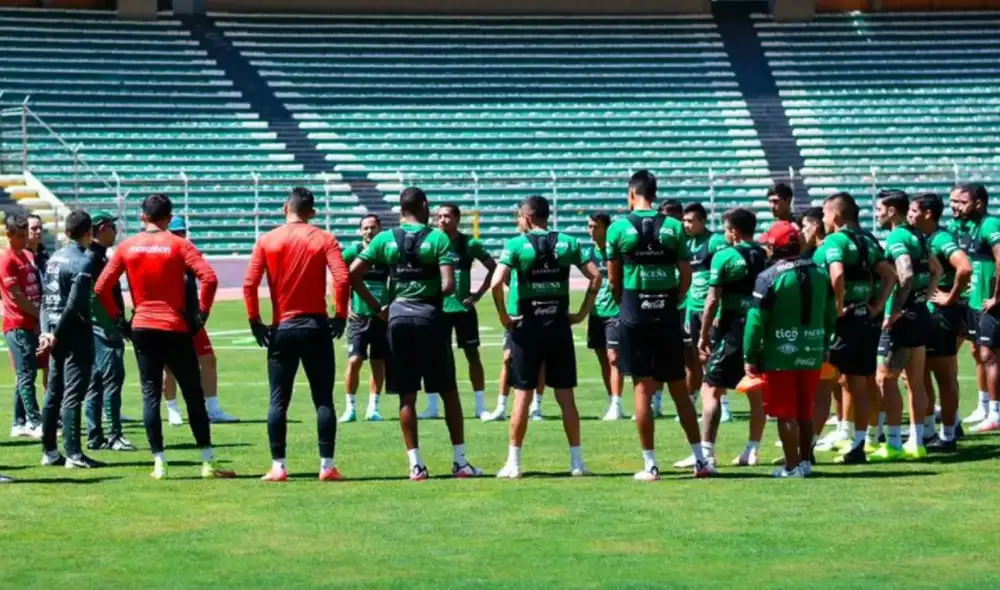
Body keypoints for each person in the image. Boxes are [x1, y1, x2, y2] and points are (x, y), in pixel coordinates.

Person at [95, 193, 233, 480]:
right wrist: (202, 316)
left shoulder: (127, 247)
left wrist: (119, 320)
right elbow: (209, 278)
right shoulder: (180, 244)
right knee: (193, 394)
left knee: (149, 395)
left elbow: (100, 288)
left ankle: (159, 462)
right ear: (169, 218)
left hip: (143, 326)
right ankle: (207, 461)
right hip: (176, 327)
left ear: (143, 217)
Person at [349, 187, 483, 481]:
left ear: (400, 209)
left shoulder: (385, 239)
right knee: (448, 391)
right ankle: (460, 462)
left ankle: (416, 465)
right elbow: (448, 286)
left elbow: (352, 273)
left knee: (406, 396)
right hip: (430, 319)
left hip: (396, 319)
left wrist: (377, 306)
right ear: (424, 205)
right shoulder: (438, 239)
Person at [243, 187, 350, 482]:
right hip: (315, 326)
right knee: (324, 399)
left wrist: (255, 320)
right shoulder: (323, 238)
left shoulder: (267, 239)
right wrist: (340, 315)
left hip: (283, 329)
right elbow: (341, 279)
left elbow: (250, 284)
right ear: (312, 212)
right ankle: (327, 466)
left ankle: (278, 466)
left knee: (278, 399)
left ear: (284, 207)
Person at [606, 170, 705, 481]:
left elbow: (613, 278)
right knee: (678, 387)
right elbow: (686, 274)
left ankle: (650, 464)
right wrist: (673, 298)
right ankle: (701, 461)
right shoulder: (675, 226)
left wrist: (625, 302)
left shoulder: (618, 228)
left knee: (642, 387)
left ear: (632, 192)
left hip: (634, 312)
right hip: (665, 313)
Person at [490, 196, 599, 478]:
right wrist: (582, 313)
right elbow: (596, 278)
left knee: (523, 396)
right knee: (566, 397)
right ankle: (577, 463)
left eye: (518, 217)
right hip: (559, 327)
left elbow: (495, 282)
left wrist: (503, 316)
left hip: (527, 328)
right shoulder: (569, 242)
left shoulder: (515, 245)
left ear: (526, 217)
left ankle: (513, 463)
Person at [746, 221, 836, 477]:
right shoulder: (820, 273)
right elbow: (831, 314)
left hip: (780, 353)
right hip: (813, 348)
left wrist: (750, 355)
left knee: (786, 413)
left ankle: (792, 466)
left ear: (775, 247)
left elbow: (755, 322)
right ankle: (805, 462)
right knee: (805, 410)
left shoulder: (768, 277)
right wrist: (825, 343)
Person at [817, 193, 896, 464]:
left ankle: (806, 447)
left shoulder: (836, 240)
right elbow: (891, 274)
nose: (823, 220)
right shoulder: (867, 240)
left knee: (823, 383)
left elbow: (836, 273)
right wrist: (878, 304)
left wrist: (838, 306)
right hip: (866, 319)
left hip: (844, 321)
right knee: (859, 384)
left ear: (837, 216)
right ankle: (859, 443)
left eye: (825, 214)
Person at [689, 207, 768, 469]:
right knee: (755, 390)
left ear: (733, 231)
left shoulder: (724, 256)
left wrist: (703, 335)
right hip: (759, 328)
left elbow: (712, 301)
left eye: (726, 228)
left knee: (711, 388)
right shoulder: (764, 254)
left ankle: (707, 454)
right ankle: (752, 449)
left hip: (733, 328)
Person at [872, 190, 940, 461]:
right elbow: (937, 269)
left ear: (891, 211)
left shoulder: (898, 236)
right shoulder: (919, 236)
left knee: (884, 379)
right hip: (921, 314)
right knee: (916, 382)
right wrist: (926, 296)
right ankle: (917, 441)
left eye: (879, 209)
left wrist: (896, 310)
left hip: (903, 320)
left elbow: (906, 274)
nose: (876, 213)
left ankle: (893, 443)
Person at [908, 193, 971, 451]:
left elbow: (964, 267)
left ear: (927, 214)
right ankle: (933, 431)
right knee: (920, 374)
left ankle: (948, 435)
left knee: (943, 376)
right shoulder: (922, 239)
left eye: (913, 210)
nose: (910, 215)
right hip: (928, 313)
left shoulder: (941, 238)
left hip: (941, 315)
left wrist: (950, 297)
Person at [421, 203, 496, 419]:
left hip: (463, 310)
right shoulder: (431, 242)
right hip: (438, 310)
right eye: (439, 216)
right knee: (434, 357)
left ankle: (480, 406)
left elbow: (493, 267)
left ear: (457, 219)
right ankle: (433, 406)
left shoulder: (469, 243)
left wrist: (479, 294)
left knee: (473, 355)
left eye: (446, 216)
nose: (442, 220)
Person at [39, 210, 101, 468]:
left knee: (53, 392)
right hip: (73, 333)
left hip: (53, 331)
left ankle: (49, 451)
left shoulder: (53, 258)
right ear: (89, 232)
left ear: (66, 232)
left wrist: (46, 330)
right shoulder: (83, 261)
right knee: (73, 394)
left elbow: (44, 299)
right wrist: (55, 332)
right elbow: (75, 304)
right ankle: (74, 454)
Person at [162, 217, 238, 426]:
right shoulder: (163, 253)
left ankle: (212, 408)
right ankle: (172, 409)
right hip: (171, 316)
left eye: (182, 232)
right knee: (169, 366)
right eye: (176, 233)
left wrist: (201, 312)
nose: (180, 236)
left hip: (191, 316)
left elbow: (207, 278)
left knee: (208, 359)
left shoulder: (189, 252)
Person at [83, 211, 135, 452]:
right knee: (112, 381)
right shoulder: (95, 259)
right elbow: (96, 297)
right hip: (103, 329)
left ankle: (95, 436)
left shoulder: (94, 256)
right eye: (112, 226)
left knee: (95, 383)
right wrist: (115, 323)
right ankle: (114, 434)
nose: (115, 231)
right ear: (102, 228)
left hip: (93, 328)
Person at [951, 183, 1000, 433]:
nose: (954, 206)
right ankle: (983, 406)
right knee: (976, 352)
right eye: (952, 201)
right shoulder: (966, 226)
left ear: (978, 204)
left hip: (988, 302)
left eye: (960, 202)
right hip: (974, 301)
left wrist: (996, 297)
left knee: (989, 355)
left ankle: (996, 413)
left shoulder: (990, 225)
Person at [681, 203, 729, 423]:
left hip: (710, 309)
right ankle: (706, 403)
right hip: (693, 308)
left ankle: (723, 406)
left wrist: (719, 309)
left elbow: (724, 278)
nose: (686, 225)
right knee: (699, 356)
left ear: (702, 221)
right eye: (685, 220)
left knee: (714, 356)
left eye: (691, 221)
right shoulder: (686, 243)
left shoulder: (716, 242)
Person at [340, 214, 390, 423]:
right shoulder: (353, 252)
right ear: (360, 231)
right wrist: (343, 305)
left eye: (373, 227)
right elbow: (337, 277)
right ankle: (350, 408)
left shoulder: (387, 252)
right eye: (365, 228)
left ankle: (373, 407)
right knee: (355, 360)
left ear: (380, 229)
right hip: (359, 316)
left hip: (383, 316)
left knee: (379, 363)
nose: (369, 232)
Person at [2, 214, 43, 443]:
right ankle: (34, 420)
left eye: (24, 234)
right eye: (18, 236)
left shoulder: (27, 255)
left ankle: (19, 423)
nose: (23, 239)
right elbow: (17, 297)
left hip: (31, 323)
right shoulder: (6, 259)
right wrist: (39, 315)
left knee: (26, 373)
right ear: (8, 235)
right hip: (17, 324)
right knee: (26, 374)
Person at [585, 212, 625, 420]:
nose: (591, 231)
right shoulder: (588, 253)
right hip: (596, 312)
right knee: (602, 359)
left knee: (614, 357)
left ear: (606, 228)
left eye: (595, 227)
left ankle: (617, 403)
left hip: (615, 311)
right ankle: (612, 401)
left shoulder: (616, 251)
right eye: (589, 226)